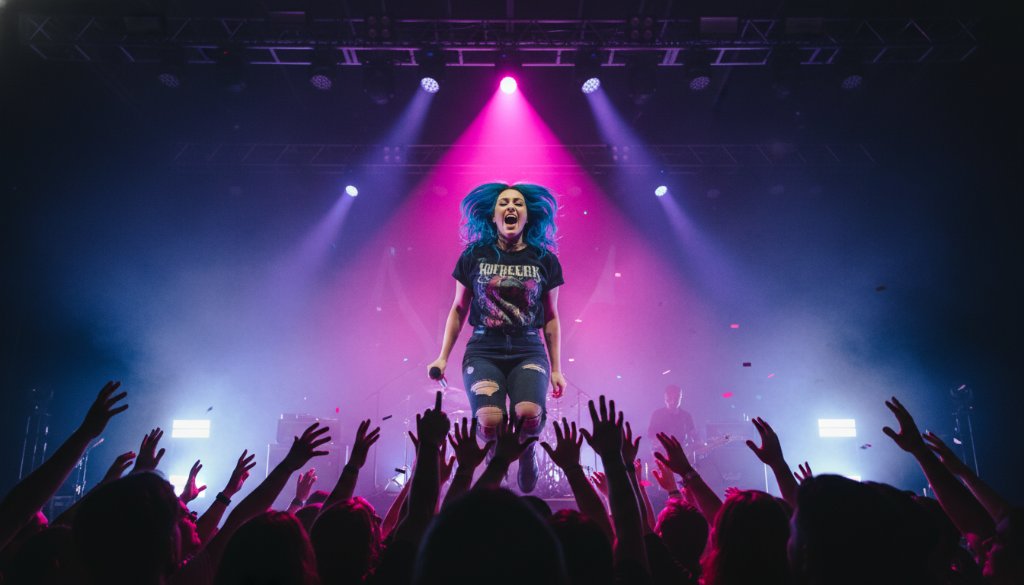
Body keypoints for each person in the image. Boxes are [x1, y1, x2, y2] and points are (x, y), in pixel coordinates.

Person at [427, 182, 566, 493]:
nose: (511, 207)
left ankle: (527, 450)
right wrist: (442, 356)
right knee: (490, 420)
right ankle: (494, 456)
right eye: (504, 203)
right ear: (493, 215)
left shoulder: (544, 259)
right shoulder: (474, 255)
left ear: (528, 216)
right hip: (484, 348)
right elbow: (459, 308)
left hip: (528, 347)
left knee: (528, 414)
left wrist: (557, 368)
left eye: (518, 203)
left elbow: (552, 317)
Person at [647, 385, 699, 451]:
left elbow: (693, 434)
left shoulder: (686, 416)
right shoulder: (657, 414)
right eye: (669, 399)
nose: (673, 402)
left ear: (680, 397)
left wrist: (698, 443)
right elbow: (651, 434)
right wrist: (661, 443)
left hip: (681, 452)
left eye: (676, 398)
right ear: (665, 398)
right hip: (662, 453)